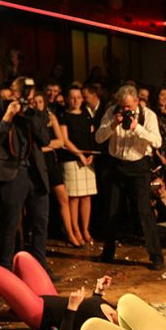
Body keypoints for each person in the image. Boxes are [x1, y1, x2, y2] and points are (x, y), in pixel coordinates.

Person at [0, 79, 58, 272]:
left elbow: (45, 139)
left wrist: (31, 116)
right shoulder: (1, 109)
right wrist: (8, 117)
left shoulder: (35, 112)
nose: (26, 99)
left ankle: (40, 267)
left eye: (29, 96)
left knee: (40, 222)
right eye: (22, 95)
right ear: (12, 93)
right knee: (9, 223)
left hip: (36, 172)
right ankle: (6, 268)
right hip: (12, 172)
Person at [0, 252, 114, 330]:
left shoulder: (105, 327)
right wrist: (98, 293)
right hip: (50, 299)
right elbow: (88, 310)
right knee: (22, 257)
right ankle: (17, 310)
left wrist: (72, 307)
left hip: (41, 314)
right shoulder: (115, 310)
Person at [95, 85, 164, 270]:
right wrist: (112, 125)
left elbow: (157, 142)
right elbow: (99, 138)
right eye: (122, 106)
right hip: (116, 165)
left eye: (129, 106)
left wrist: (137, 128)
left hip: (139, 166)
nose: (125, 110)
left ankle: (156, 256)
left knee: (143, 211)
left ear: (137, 102)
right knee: (112, 209)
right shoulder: (111, 112)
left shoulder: (148, 115)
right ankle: (107, 253)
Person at [57, 85, 98, 248]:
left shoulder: (87, 113)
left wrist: (92, 153)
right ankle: (75, 230)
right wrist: (79, 154)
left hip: (88, 159)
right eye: (72, 97)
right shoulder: (63, 115)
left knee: (87, 196)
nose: (76, 100)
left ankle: (85, 229)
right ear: (67, 99)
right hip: (71, 159)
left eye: (79, 97)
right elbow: (65, 140)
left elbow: (92, 134)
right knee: (74, 197)